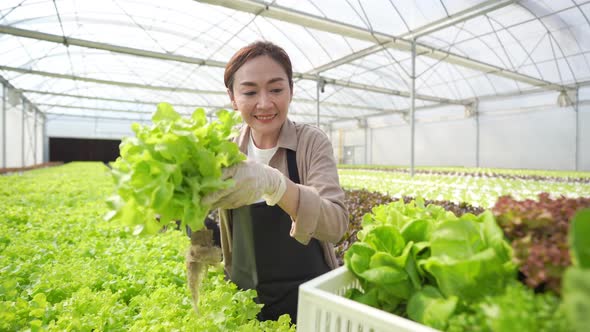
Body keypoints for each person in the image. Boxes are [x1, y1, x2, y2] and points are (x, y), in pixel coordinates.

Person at [198, 41, 348, 322]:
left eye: (276, 89)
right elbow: (216, 232)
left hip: (307, 300)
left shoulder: (310, 143)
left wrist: (276, 185)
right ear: (232, 97)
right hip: (245, 302)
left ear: (291, 90)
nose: (265, 103)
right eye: (250, 91)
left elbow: (337, 225)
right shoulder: (225, 151)